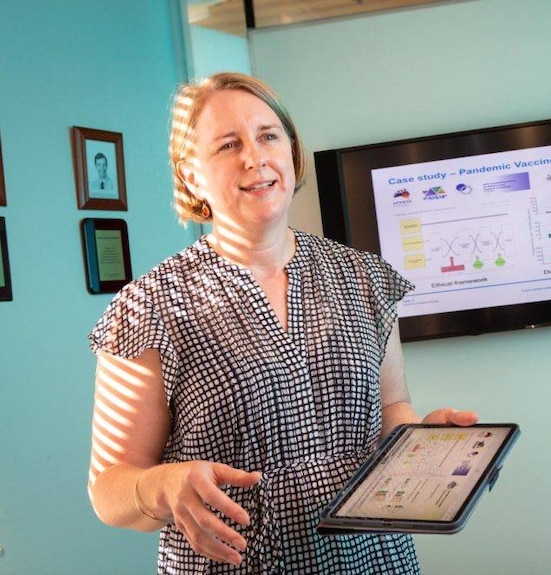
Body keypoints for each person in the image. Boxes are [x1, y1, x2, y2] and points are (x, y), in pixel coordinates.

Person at [87, 72, 478, 574]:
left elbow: (392, 410)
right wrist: (159, 486)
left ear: (291, 151)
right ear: (192, 176)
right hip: (236, 562)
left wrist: (425, 446)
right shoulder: (149, 306)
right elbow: (109, 489)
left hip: (372, 556)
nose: (255, 158)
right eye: (228, 145)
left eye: (268, 136)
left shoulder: (365, 278)